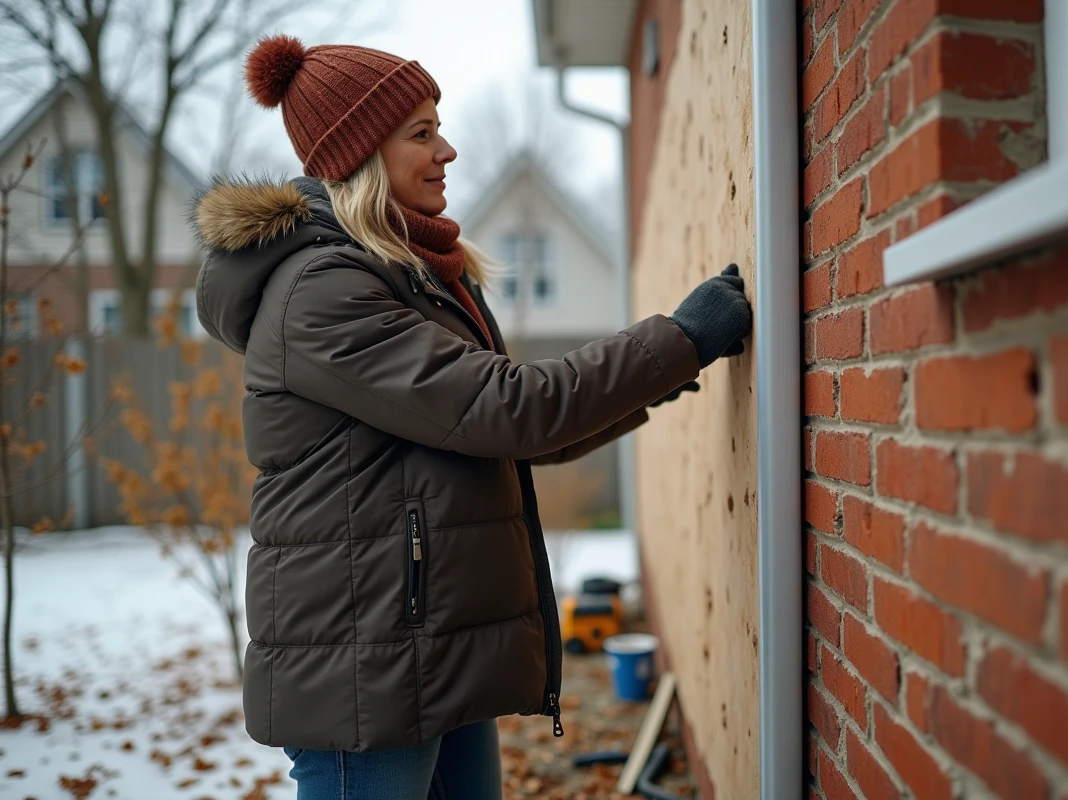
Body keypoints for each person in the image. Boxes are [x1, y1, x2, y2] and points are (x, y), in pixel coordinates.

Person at [192, 34, 751, 800]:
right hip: (367, 671)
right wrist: (677, 341)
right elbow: (509, 409)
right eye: (420, 133)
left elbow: (497, 435)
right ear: (360, 155)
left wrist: (655, 380)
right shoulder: (322, 293)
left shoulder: (412, 278)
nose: (446, 150)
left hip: (428, 641)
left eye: (438, 127)